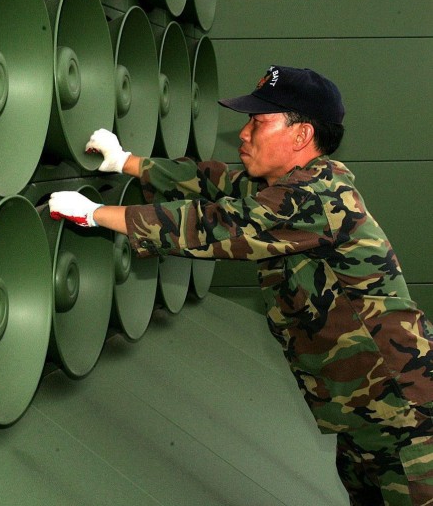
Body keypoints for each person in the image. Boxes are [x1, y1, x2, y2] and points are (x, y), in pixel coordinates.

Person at [49, 65, 433, 505]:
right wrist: (125, 162)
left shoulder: (317, 197)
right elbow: (213, 183)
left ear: (301, 135)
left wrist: (95, 215)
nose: (245, 134)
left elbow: (218, 226)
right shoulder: (290, 186)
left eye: (259, 122)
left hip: (406, 417)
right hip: (365, 413)